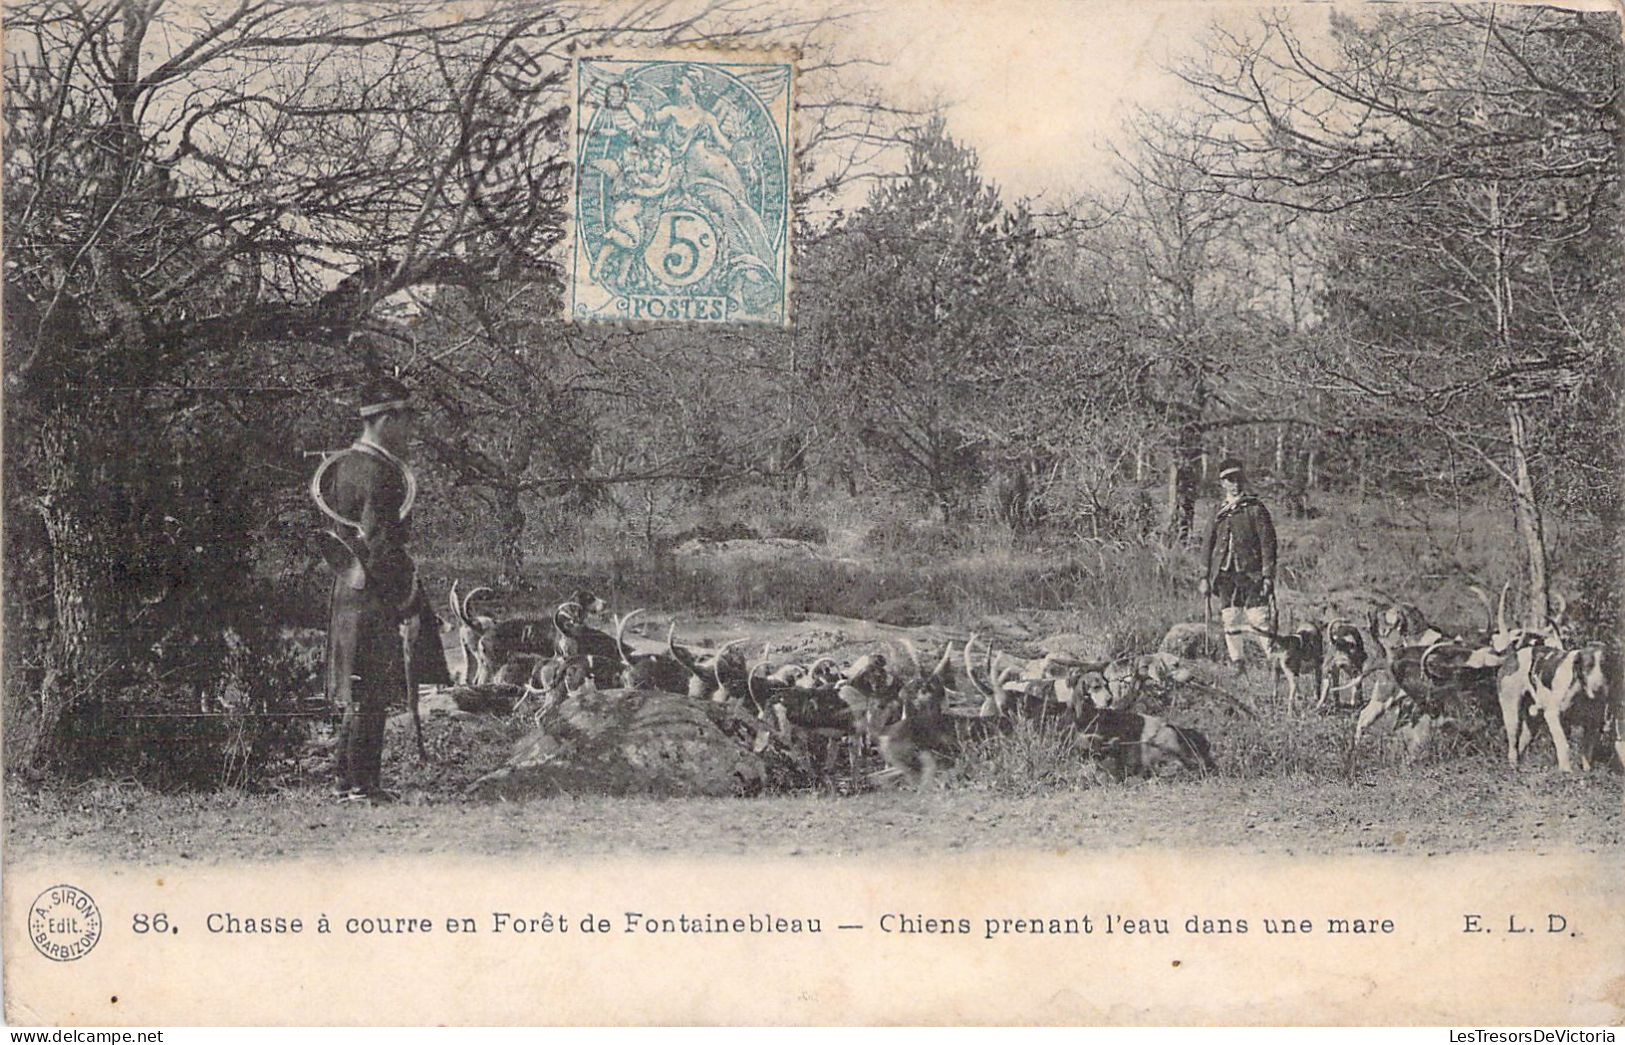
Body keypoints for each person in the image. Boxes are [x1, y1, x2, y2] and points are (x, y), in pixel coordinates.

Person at [314, 376, 447, 802]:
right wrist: (407, 600)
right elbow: (381, 544)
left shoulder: (345, 465)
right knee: (372, 693)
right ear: (386, 420)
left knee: (360, 692)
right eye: (406, 421)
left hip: (348, 589)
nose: (409, 432)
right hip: (373, 593)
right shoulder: (379, 472)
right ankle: (362, 785)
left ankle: (345, 781)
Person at [1199, 457, 1278, 674]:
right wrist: (1204, 577)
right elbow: (1207, 544)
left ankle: (1274, 660)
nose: (1235, 484)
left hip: (1251, 574)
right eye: (1229, 480)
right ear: (1222, 483)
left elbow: (1268, 544)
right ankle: (1238, 663)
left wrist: (1268, 575)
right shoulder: (1218, 511)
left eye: (1238, 479)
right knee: (1230, 617)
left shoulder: (1255, 509)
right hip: (1225, 574)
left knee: (1258, 617)